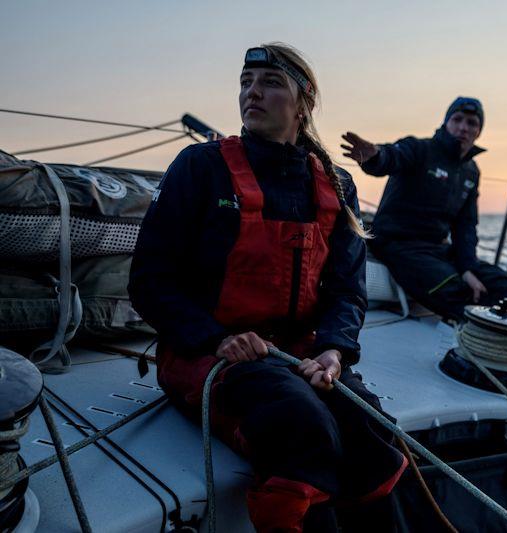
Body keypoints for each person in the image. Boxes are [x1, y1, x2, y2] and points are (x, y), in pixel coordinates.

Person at [129, 43, 406, 532]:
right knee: (301, 424)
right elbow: (149, 280)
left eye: (270, 82)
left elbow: (347, 291)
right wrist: (217, 337)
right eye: (246, 81)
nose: (252, 93)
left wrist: (335, 353)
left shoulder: (337, 186)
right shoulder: (200, 168)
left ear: (304, 103)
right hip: (204, 355)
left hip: (297, 353)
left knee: (371, 427)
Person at [341, 97, 507, 324]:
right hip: (399, 244)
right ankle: (478, 344)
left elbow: (465, 226)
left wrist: (468, 268)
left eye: (472, 123)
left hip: (438, 249)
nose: (463, 127)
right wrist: (375, 156)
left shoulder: (471, 171)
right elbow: (392, 157)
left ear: (479, 131)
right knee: (456, 289)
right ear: (446, 122)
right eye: (457, 119)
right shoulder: (420, 149)